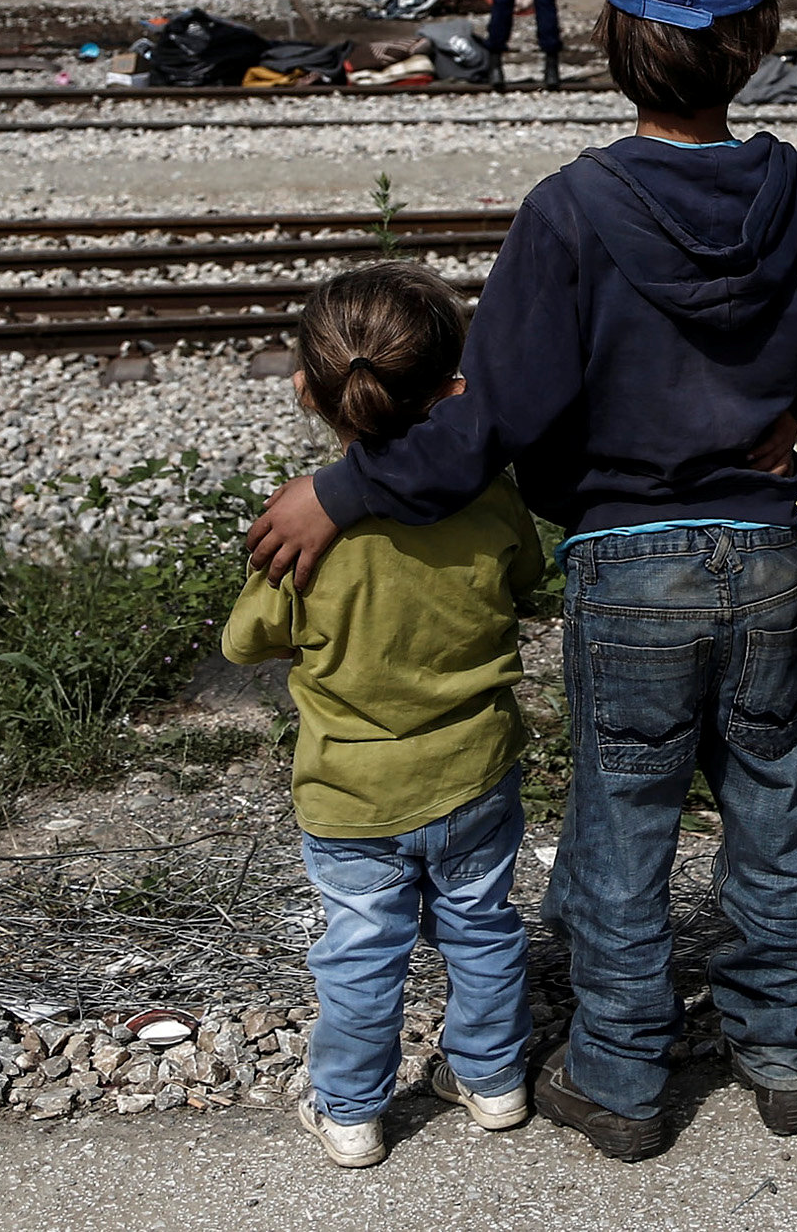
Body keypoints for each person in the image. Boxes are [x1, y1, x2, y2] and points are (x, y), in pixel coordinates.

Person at [242, 0, 797, 1162]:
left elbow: (489, 421)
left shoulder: (568, 214)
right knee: (777, 812)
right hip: (757, 557)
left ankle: (622, 1084)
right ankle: (788, 1054)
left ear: (608, 37)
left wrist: (338, 488)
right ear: (756, 36)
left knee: (621, 831)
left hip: (623, 568)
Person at [224, 260, 546, 1170]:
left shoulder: (305, 527)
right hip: (477, 767)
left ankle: (354, 1112)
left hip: (352, 791)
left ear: (305, 392)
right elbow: (526, 580)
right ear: (452, 388)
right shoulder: (491, 496)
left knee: (362, 951)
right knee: (481, 924)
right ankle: (492, 1080)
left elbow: (249, 639)